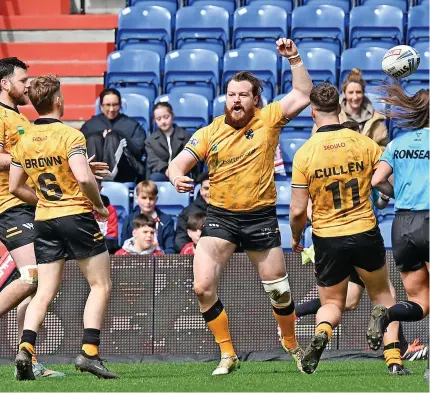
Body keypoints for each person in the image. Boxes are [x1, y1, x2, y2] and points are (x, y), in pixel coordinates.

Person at [168, 38, 313, 375]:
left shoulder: (269, 118)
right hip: (220, 217)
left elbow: (303, 94)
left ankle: (290, 341)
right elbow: (177, 164)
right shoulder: (209, 132)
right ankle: (227, 353)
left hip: (260, 217)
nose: (235, 100)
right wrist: (176, 177)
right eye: (231, 94)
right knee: (202, 287)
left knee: (279, 292)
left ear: (255, 100)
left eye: (242, 95)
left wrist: (294, 58)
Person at [289, 82, 409, 375]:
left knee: (332, 303)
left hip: (327, 237)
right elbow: (382, 183)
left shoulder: (305, 153)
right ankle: (394, 361)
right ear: (340, 109)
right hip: (364, 231)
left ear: (313, 113)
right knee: (383, 297)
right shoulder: (365, 144)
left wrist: (295, 237)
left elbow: (296, 211)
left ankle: (323, 334)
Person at [9, 75, 118, 380]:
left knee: (44, 291)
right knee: (100, 285)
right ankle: (89, 353)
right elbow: (83, 179)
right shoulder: (71, 136)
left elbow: (16, 186)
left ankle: (26, 349)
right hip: (75, 216)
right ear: (58, 101)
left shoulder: (24, 139)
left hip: (44, 219)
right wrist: (98, 205)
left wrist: (44, 199)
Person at [0, 58, 66, 378]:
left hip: (28, 205)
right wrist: (22, 157)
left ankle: (28, 360)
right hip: (8, 204)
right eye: (22, 80)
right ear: (4, 84)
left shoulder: (19, 117)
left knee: (39, 286)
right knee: (34, 277)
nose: (27, 85)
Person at [369, 82, 429, 382]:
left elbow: (377, 180)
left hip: (402, 225)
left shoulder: (396, 144)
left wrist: (399, 196)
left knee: (420, 302)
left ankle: (388, 314)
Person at [312, 69, 388, 150]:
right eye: (351, 92)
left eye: (358, 92)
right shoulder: (329, 115)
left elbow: (383, 148)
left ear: (363, 93)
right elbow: (316, 144)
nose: (355, 97)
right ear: (344, 93)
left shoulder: (375, 119)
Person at [81, 88, 146, 182]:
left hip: (124, 172)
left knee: (113, 136)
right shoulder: (89, 126)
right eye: (108, 105)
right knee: (95, 138)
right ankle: (95, 174)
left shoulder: (132, 125)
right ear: (101, 106)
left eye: (115, 105)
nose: (111, 109)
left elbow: (138, 152)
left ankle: (109, 173)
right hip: (93, 174)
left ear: (120, 105)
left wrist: (119, 135)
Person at [121, 180, 175, 254]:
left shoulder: (166, 221)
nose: (148, 202)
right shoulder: (128, 220)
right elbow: (123, 245)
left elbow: (170, 250)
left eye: (151, 198)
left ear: (156, 199)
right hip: (133, 261)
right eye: (144, 198)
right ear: (136, 199)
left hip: (159, 261)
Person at [145, 102, 195, 181]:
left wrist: (176, 170)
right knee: (155, 178)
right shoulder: (150, 141)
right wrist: (167, 170)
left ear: (172, 116)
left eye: (166, 117)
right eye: (159, 119)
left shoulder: (186, 136)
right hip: (162, 173)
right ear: (155, 121)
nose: (163, 121)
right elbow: (153, 160)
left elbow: (189, 157)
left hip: (182, 172)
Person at [175, 172, 209, 252]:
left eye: (213, 189)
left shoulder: (227, 211)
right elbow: (180, 240)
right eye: (206, 188)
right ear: (201, 191)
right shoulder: (187, 212)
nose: (209, 193)